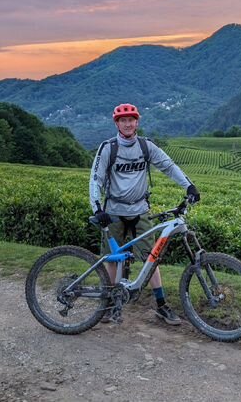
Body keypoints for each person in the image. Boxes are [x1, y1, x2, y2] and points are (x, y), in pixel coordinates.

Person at [89, 103, 200, 325]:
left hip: (140, 211)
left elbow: (168, 166)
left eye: (131, 120)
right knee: (113, 260)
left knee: (152, 258)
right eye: (123, 120)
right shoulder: (108, 148)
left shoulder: (146, 146)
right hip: (114, 212)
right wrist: (97, 208)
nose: (128, 124)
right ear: (117, 124)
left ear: (137, 122)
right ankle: (111, 305)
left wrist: (189, 186)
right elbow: (96, 179)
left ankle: (161, 305)